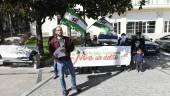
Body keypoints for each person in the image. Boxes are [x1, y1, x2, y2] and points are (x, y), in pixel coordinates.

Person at [49, 26, 78, 96]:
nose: (60, 31)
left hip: (68, 59)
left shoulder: (67, 39)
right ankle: (64, 90)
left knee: (72, 74)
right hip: (60, 61)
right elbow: (51, 51)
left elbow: (72, 48)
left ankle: (74, 86)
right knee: (61, 77)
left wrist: (70, 45)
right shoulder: (52, 41)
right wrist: (54, 55)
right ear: (56, 32)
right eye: (58, 30)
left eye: (61, 30)